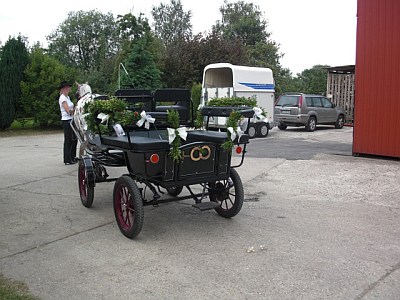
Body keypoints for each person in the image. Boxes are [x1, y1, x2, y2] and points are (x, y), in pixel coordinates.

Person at [58, 81, 78, 165]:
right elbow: (68, 111)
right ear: (62, 89)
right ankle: (67, 159)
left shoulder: (68, 97)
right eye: (66, 88)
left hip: (71, 120)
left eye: (68, 87)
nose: (68, 89)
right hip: (67, 120)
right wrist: (76, 110)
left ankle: (72, 156)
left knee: (74, 139)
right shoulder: (63, 98)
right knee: (68, 140)